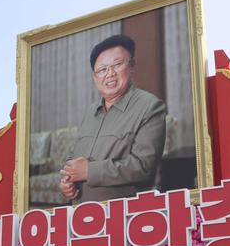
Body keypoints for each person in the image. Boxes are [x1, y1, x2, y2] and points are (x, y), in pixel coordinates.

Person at [60, 34, 167, 203]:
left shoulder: (150, 106)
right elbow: (74, 157)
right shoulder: (90, 111)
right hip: (80, 215)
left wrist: (89, 171)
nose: (109, 74)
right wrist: (68, 181)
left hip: (124, 214)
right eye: (102, 69)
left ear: (132, 66)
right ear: (94, 77)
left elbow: (143, 167)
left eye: (117, 65)